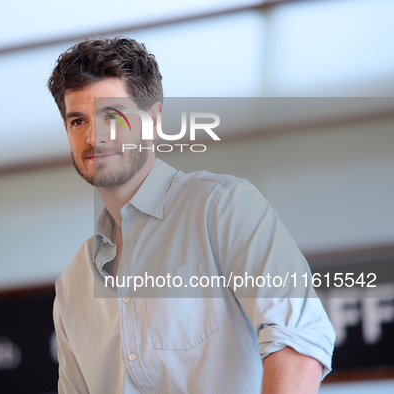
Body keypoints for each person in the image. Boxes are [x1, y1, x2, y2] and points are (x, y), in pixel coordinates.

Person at [47, 37, 335, 393]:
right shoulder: (73, 284)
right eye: (78, 121)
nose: (94, 136)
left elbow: (298, 342)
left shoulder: (224, 207)